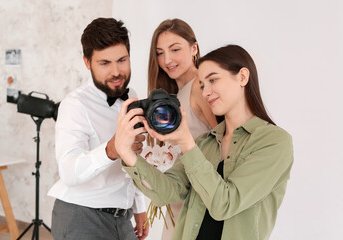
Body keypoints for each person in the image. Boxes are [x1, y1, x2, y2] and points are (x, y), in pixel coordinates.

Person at [115, 45, 294, 240]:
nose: (206, 91)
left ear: (242, 77)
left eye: (213, 80)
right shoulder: (204, 143)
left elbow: (224, 204)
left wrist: (185, 142)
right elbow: (165, 193)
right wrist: (127, 153)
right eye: (201, 85)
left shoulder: (274, 142)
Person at [48, 18, 149, 240]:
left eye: (121, 60)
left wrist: (139, 205)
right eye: (104, 63)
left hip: (122, 217)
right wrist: (112, 149)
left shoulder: (131, 96)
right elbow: (69, 171)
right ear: (87, 62)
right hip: (81, 217)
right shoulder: (74, 105)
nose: (116, 72)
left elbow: (133, 158)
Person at [145, 18, 217, 239]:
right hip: (177, 199)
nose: (167, 59)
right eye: (159, 53)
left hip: (198, 200)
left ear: (194, 48)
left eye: (175, 49)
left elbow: (225, 142)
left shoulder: (199, 87)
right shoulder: (171, 96)